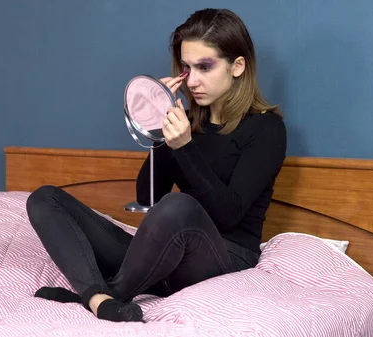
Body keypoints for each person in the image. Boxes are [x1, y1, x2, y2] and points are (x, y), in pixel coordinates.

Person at [26, 8, 287, 323]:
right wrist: (158, 128)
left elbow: (229, 214)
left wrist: (185, 147)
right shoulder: (186, 124)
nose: (193, 80)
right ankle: (99, 297)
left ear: (237, 66)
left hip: (225, 255)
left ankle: (109, 294)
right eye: (187, 68)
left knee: (179, 205)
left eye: (205, 67)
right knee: (44, 198)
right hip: (164, 259)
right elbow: (148, 197)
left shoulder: (266, 128)